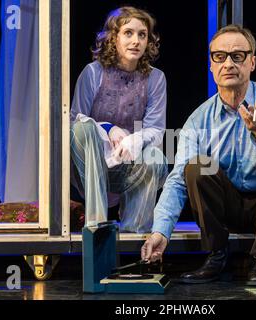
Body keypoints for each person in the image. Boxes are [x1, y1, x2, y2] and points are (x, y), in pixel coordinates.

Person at [141, 25, 256, 285]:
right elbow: (177, 180)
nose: (228, 63)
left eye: (237, 56)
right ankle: (216, 254)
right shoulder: (199, 119)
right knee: (196, 168)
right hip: (227, 207)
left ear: (252, 62)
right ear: (211, 65)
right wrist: (161, 231)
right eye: (220, 56)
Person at [70, 7, 168, 233]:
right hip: (89, 163)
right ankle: (97, 225)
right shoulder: (93, 73)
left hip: (126, 162)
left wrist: (135, 140)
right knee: (82, 128)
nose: (136, 41)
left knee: (155, 156)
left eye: (142, 35)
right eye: (128, 33)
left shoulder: (155, 78)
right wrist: (108, 128)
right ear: (113, 38)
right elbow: (74, 122)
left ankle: (135, 235)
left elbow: (156, 128)